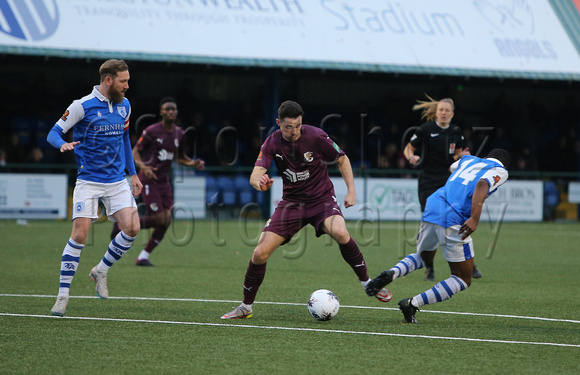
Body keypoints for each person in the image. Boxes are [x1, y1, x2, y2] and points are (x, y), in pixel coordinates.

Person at [221, 100, 393, 319]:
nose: (294, 131)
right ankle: (245, 308)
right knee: (259, 253)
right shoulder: (271, 142)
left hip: (321, 201)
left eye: (298, 125)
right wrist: (260, 182)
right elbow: (255, 174)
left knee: (341, 232)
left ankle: (368, 283)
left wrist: (351, 191)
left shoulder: (316, 136)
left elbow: (342, 159)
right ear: (278, 123)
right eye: (288, 127)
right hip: (291, 204)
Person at [366, 148, 510, 323]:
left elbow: (452, 169)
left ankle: (392, 272)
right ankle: (412, 303)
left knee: (424, 257)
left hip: (434, 204)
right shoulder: (500, 170)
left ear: (486, 156)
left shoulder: (468, 159)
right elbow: (482, 184)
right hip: (454, 215)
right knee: (462, 278)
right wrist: (474, 218)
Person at [46, 59, 142, 316]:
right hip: (89, 180)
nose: (127, 86)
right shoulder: (81, 106)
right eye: (123, 81)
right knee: (80, 235)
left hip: (116, 181)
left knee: (133, 227)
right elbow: (54, 133)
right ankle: (63, 296)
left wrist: (132, 174)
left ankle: (101, 270)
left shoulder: (125, 106)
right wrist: (61, 145)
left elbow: (124, 139)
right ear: (108, 80)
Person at [111, 97, 205, 266]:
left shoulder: (180, 134)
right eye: (167, 109)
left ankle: (143, 257)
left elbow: (180, 158)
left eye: (173, 109)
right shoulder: (152, 131)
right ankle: (122, 226)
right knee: (161, 219)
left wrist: (193, 163)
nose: (170, 112)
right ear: (161, 112)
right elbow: (134, 153)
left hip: (164, 182)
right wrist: (144, 167)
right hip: (148, 180)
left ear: (176, 112)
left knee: (166, 221)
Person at [402, 95, 479, 281]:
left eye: (447, 111)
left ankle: (470, 264)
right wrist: (411, 158)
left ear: (452, 114)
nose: (443, 113)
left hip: (448, 181)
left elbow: (457, 156)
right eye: (441, 110)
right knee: (430, 224)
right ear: (436, 112)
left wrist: (464, 155)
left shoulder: (455, 132)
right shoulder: (425, 130)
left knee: (457, 221)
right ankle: (429, 267)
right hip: (428, 181)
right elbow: (408, 149)